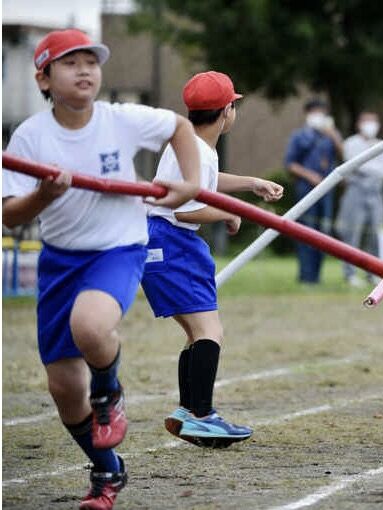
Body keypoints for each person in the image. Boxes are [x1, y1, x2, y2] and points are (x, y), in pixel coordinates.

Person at [1, 29, 200, 509]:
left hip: (117, 249)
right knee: (65, 390)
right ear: (44, 78)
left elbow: (180, 126)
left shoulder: (120, 120)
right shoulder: (30, 137)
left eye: (91, 62)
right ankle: (108, 472)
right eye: (70, 63)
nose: (85, 70)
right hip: (60, 260)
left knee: (90, 326)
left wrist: (191, 183)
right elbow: (9, 214)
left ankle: (109, 393)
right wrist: (43, 195)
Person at [141, 71, 284, 447]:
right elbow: (185, 210)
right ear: (226, 111)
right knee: (209, 332)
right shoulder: (198, 150)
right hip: (173, 243)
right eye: (233, 105)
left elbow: (205, 182)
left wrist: (251, 183)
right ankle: (202, 416)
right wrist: (229, 213)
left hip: (160, 242)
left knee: (195, 333)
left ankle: (189, 411)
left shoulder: (190, 145)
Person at [285, 98, 343, 284]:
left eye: (322, 112)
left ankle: (316, 276)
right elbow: (290, 164)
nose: (319, 115)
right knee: (305, 231)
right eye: (315, 112)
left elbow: (344, 156)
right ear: (307, 114)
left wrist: (334, 135)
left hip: (326, 192)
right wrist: (310, 176)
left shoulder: (329, 136)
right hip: (306, 189)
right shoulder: (299, 136)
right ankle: (306, 276)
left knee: (323, 232)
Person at [336, 110, 383, 287]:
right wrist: (374, 167)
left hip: (376, 194)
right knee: (352, 233)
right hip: (355, 192)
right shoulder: (351, 143)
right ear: (359, 124)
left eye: (373, 121)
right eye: (366, 121)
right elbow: (353, 163)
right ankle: (349, 274)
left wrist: (366, 166)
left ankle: (373, 273)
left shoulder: (382, 144)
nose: (370, 125)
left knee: (376, 234)